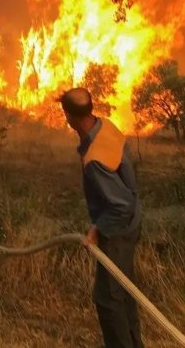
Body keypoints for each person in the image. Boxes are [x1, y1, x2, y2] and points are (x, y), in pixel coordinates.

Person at [59, 87, 143, 348]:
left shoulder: (95, 159)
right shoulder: (105, 126)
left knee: (108, 299)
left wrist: (97, 230)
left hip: (118, 229)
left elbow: (120, 206)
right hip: (131, 221)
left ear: (69, 117)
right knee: (123, 293)